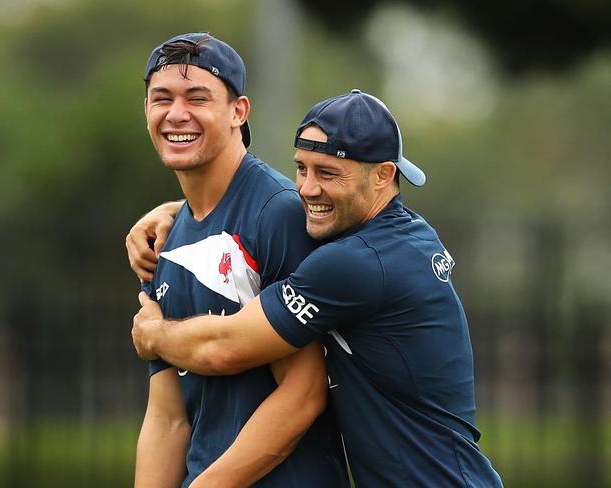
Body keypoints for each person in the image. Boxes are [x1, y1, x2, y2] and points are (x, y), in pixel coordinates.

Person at [129, 89, 504, 487]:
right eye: (302, 168)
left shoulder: (356, 262)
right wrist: (181, 209)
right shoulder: (403, 234)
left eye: (327, 173)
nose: (307, 189)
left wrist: (152, 335)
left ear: (383, 175)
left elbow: (223, 347)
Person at [130, 32, 348, 488]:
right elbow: (167, 417)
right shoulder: (162, 240)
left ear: (238, 111)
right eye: (161, 98)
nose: (176, 114)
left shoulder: (280, 212)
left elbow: (304, 392)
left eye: (197, 97)